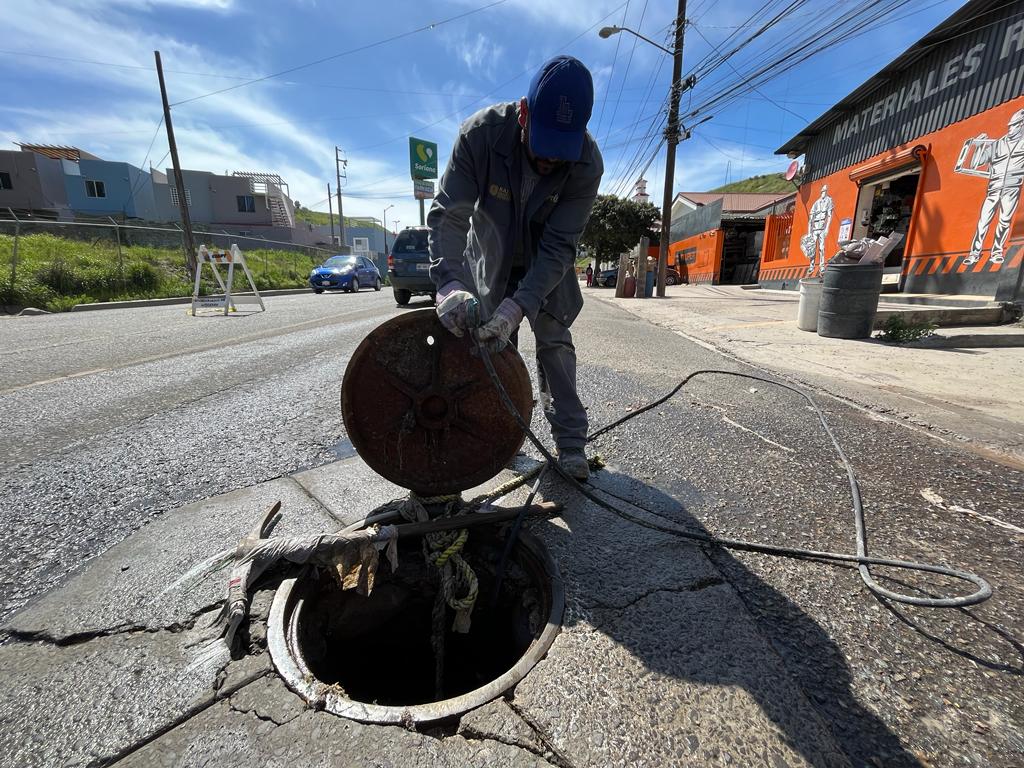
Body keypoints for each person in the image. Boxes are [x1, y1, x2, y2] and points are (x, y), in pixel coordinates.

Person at [428, 55, 603, 480]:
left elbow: (561, 245)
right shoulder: (480, 135)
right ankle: (496, 436)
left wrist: (521, 304)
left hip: (548, 267)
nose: (549, 163)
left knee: (554, 341)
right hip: (491, 259)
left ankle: (571, 443)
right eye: (544, 148)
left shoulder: (586, 163)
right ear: (523, 114)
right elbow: (451, 214)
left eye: (560, 154)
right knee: (489, 348)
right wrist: (449, 281)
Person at [962, 108, 1024, 266]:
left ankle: (996, 252)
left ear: (1021, 125)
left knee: (1004, 221)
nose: (1010, 129)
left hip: (1012, 189)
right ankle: (974, 254)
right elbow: (976, 163)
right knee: (983, 222)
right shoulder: (997, 145)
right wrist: (978, 147)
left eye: (1014, 125)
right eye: (1010, 126)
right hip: (993, 188)